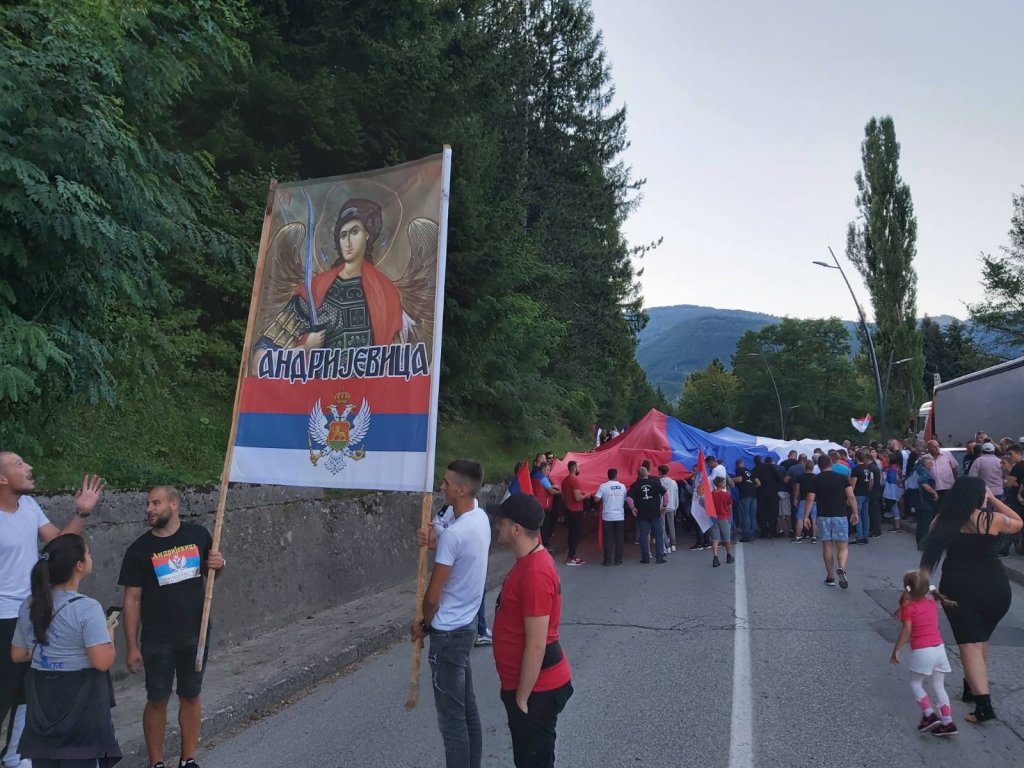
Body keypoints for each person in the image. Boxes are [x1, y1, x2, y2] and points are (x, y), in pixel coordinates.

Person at [1, 451, 104, 767]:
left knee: (29, 687)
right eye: (19, 464)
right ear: (2, 478)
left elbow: (58, 543)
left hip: (32, 611)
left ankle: (16, 756)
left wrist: (82, 513)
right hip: (2, 616)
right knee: (4, 690)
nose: (29, 467)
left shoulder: (29, 506)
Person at [118, 487, 226, 768]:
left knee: (190, 694)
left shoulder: (198, 535)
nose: (149, 509)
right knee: (157, 699)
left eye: (156, 503)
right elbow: (132, 600)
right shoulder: (138, 551)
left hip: (196, 633)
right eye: (148, 504)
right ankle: (156, 763)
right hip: (157, 640)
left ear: (174, 504)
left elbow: (212, 571)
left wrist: (219, 564)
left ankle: (188, 759)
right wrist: (131, 646)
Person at [11, 534, 122, 767]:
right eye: (88, 553)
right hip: (80, 709)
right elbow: (101, 661)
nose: (91, 557)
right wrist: (109, 636)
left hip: (42, 706)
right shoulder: (87, 608)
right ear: (79, 566)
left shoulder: (29, 604)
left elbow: (18, 654)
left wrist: (52, 650)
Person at [920, 477, 1022, 723]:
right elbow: (1019, 521)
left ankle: (984, 707)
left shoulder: (943, 520)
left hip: (958, 587)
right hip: (996, 587)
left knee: (969, 643)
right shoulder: (992, 520)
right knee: (981, 638)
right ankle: (972, 688)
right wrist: (994, 498)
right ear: (978, 495)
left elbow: (929, 554)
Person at [409, 461, 490, 768]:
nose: (441, 487)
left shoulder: (456, 535)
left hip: (447, 633)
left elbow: (432, 597)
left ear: (462, 489)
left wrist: (424, 624)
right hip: (467, 625)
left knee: (452, 724)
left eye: (446, 483)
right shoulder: (479, 517)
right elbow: (450, 539)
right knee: (468, 711)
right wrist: (435, 538)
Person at [255, 198, 404, 355]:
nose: (348, 242)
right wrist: (305, 348)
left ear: (367, 234)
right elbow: (261, 357)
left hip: (367, 371)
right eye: (343, 235)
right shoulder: (313, 289)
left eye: (354, 232)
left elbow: (399, 355)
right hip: (320, 371)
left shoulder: (386, 292)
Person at [489, 494, 573, 767]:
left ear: (516, 529)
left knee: (533, 761)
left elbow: (537, 644)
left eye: (501, 522)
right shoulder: (527, 561)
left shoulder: (535, 571)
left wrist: (522, 697)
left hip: (537, 690)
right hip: (529, 686)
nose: (497, 525)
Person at [889, 569, 959, 737]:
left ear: (907, 588)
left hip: (923, 651)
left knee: (916, 683)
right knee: (939, 686)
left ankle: (929, 715)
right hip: (939, 649)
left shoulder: (909, 608)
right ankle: (947, 722)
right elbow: (926, 593)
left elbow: (907, 630)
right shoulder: (932, 602)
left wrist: (896, 649)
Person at [803, 455, 858, 588]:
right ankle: (842, 568)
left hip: (823, 516)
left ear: (819, 466)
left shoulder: (815, 479)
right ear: (831, 464)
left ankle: (830, 577)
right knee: (842, 547)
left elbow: (810, 499)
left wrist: (806, 516)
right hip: (840, 515)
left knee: (827, 546)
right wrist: (855, 512)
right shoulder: (842, 478)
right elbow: (851, 496)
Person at [627, 467, 666, 564]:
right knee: (659, 534)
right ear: (646, 474)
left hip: (642, 513)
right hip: (655, 512)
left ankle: (645, 558)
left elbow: (629, 498)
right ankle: (660, 557)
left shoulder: (635, 485)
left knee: (643, 535)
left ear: (638, 475)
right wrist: (664, 506)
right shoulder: (654, 483)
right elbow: (665, 493)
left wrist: (633, 508)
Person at [595, 469, 627, 566]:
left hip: (607, 516)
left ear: (608, 476)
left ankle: (607, 560)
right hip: (619, 516)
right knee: (619, 538)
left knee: (608, 538)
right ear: (616, 475)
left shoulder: (603, 486)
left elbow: (596, 499)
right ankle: (618, 560)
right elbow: (625, 499)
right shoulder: (622, 486)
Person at [560, 462, 588, 566]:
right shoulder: (574, 481)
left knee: (572, 533)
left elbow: (563, 496)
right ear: (574, 468)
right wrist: (586, 495)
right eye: (578, 467)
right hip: (576, 510)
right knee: (575, 534)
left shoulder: (565, 480)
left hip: (569, 509)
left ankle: (572, 555)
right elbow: (577, 498)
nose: (579, 469)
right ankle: (571, 557)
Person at [530, 463, 559, 551]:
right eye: (548, 470)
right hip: (544, 505)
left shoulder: (535, 475)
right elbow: (551, 491)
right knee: (544, 526)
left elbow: (542, 486)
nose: (549, 472)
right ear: (543, 470)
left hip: (536, 503)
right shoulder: (544, 478)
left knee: (538, 525)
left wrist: (551, 486)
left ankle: (536, 542)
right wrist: (561, 492)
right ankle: (545, 544)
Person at [913, 457, 940, 552]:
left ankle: (920, 543)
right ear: (926, 464)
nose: (932, 465)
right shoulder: (924, 472)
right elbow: (924, 484)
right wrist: (934, 493)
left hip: (919, 501)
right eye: (930, 463)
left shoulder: (917, 470)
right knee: (925, 523)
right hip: (925, 500)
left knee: (921, 523)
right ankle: (924, 544)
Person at [709, 477, 735, 567]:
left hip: (714, 518)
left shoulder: (711, 494)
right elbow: (730, 506)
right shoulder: (726, 494)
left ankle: (715, 558)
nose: (725, 484)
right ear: (720, 484)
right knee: (727, 538)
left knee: (715, 539)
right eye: (724, 482)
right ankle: (729, 555)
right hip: (724, 517)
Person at [851, 450, 874, 545]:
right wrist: (869, 490)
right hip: (866, 493)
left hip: (858, 494)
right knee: (865, 515)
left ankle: (859, 536)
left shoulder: (855, 469)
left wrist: (850, 495)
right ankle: (865, 535)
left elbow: (853, 484)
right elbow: (871, 481)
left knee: (858, 515)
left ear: (856, 458)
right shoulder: (868, 468)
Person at [733, 459, 758, 543]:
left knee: (745, 515)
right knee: (752, 515)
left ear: (737, 465)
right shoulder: (750, 471)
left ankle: (747, 535)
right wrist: (751, 487)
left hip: (744, 495)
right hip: (753, 495)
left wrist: (730, 479)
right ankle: (753, 534)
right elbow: (758, 483)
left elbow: (739, 479)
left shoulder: (739, 470)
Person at [658, 465, 679, 552]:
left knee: (662, 526)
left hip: (661, 507)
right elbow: (676, 496)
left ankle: (666, 545)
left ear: (659, 472)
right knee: (671, 526)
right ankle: (673, 544)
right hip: (671, 506)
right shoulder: (673, 482)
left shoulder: (658, 482)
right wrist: (676, 506)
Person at [883, 452, 904, 533]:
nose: (887, 459)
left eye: (888, 458)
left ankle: (897, 527)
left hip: (892, 491)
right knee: (895, 507)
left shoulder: (892, 469)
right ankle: (896, 525)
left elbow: (891, 481)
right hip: (897, 490)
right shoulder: (897, 467)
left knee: (894, 508)